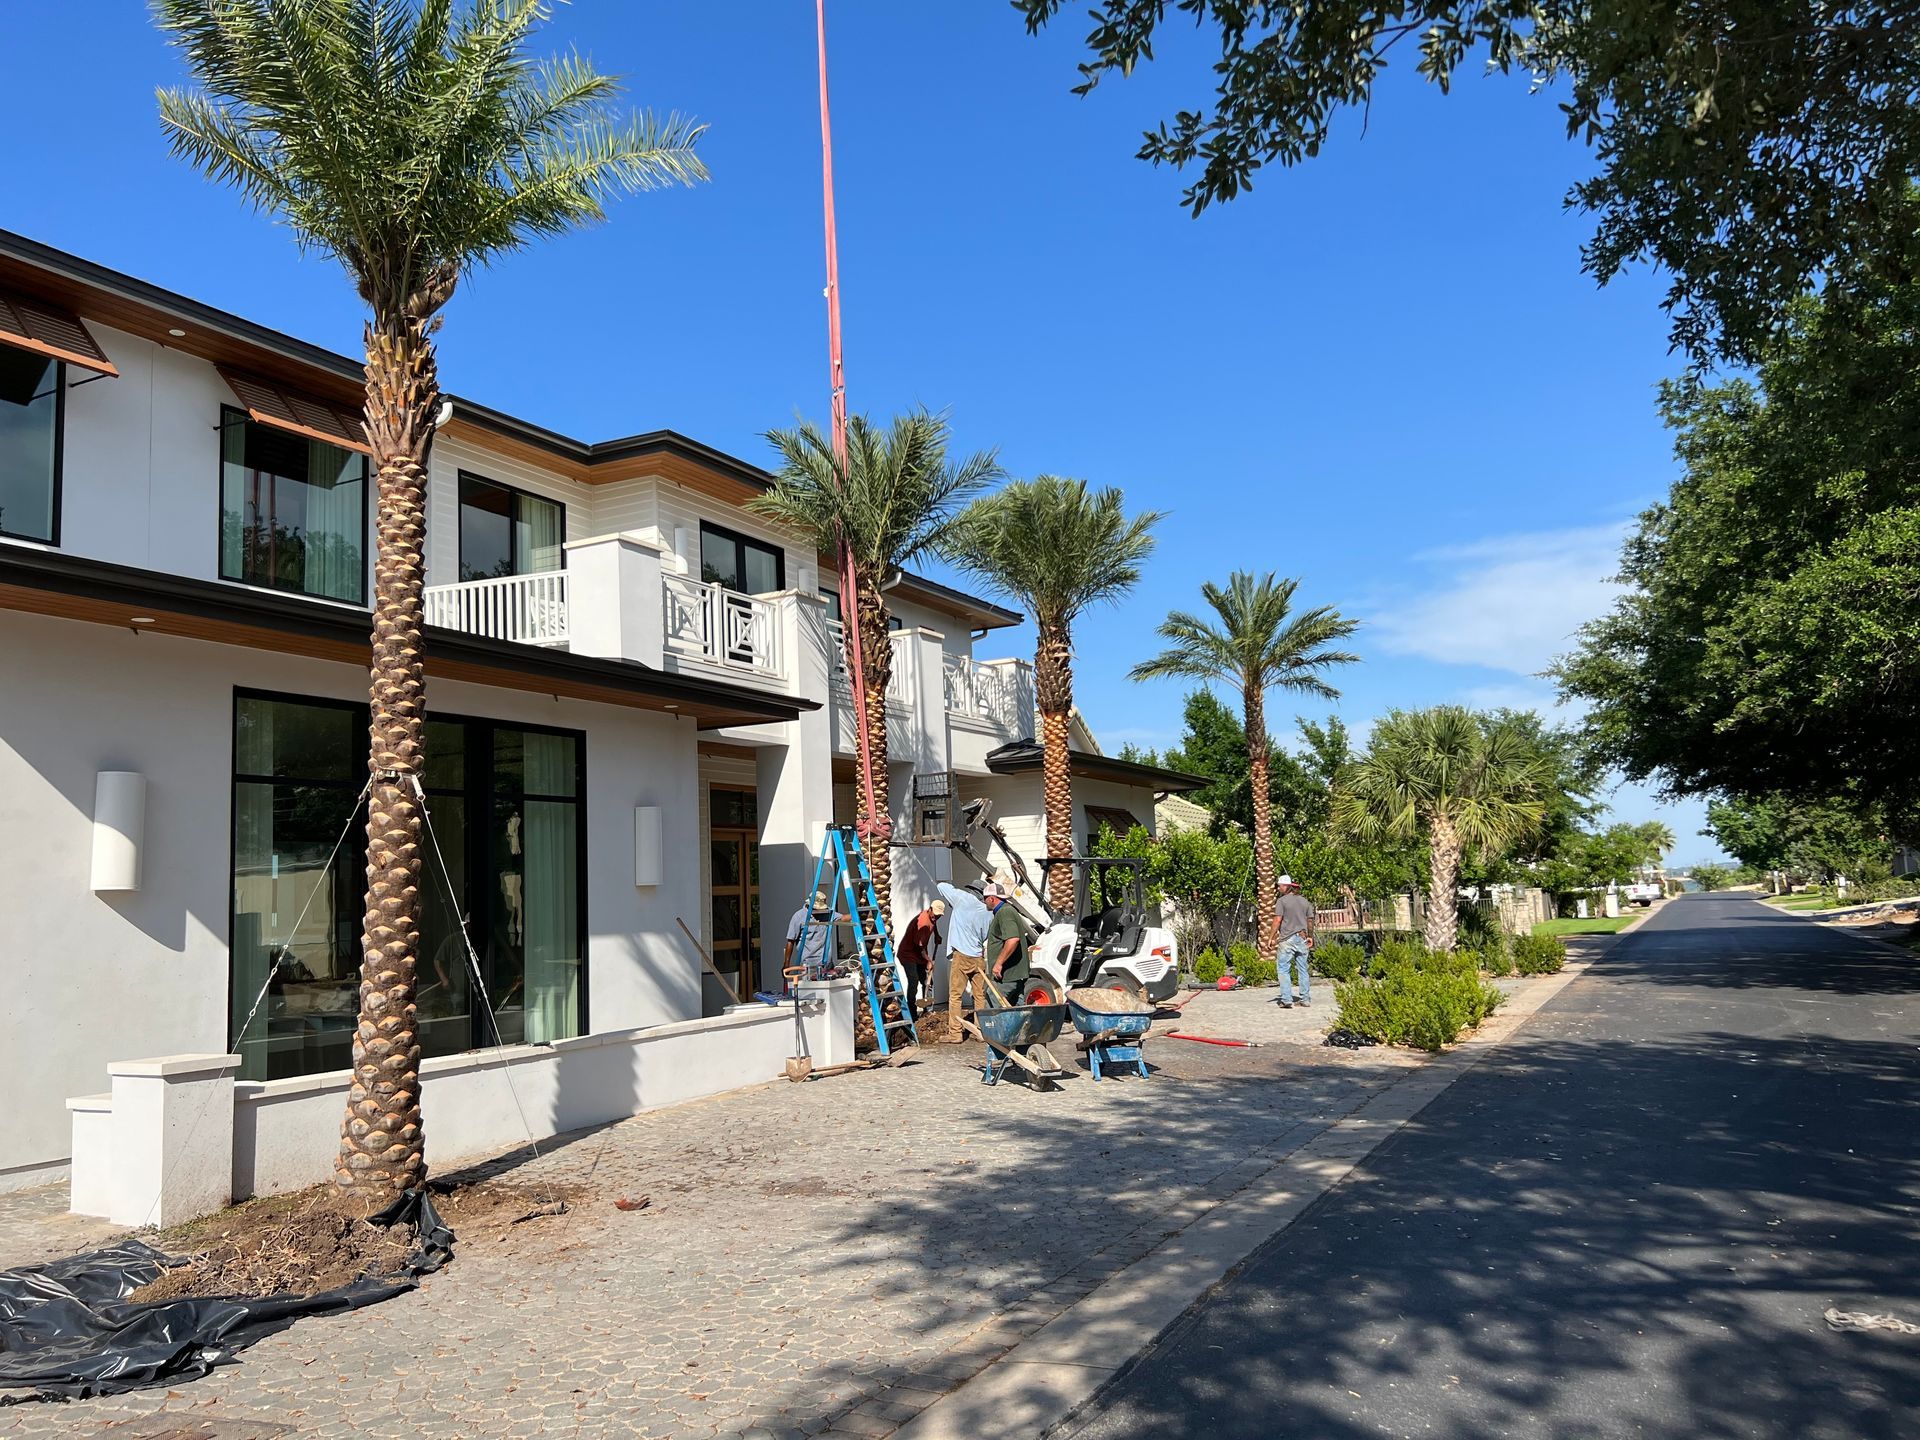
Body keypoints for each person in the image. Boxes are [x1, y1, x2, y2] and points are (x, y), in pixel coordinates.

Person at [935, 880, 993, 1041]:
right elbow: (986, 935)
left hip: (961, 955)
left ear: (971, 890)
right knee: (979, 996)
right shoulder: (988, 911)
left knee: (955, 996)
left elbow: (941, 886)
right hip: (979, 956)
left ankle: (955, 1033)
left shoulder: (962, 898)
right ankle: (980, 1031)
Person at [1269, 873, 1316, 1008]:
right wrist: (1310, 937)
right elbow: (1310, 920)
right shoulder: (1305, 901)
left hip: (1287, 939)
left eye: (1279, 886)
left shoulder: (1282, 901)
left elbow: (1277, 920)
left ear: (1285, 886)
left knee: (1283, 968)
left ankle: (1287, 999)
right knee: (1303, 969)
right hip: (1302, 938)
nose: (1278, 889)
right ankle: (1305, 999)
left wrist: (1271, 937)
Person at [895, 898, 946, 1015]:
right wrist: (928, 961)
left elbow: (934, 924)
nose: (936, 918)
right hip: (908, 954)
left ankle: (927, 1009)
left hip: (919, 954)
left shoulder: (932, 917)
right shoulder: (923, 923)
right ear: (930, 909)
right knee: (914, 980)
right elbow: (920, 947)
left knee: (927, 981)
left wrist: (937, 935)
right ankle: (912, 1012)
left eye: (939, 916)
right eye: (935, 915)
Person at [984, 883, 1031, 1002]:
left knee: (993, 1005)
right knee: (1018, 1014)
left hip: (1007, 976)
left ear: (992, 898)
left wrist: (999, 963)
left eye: (985, 898)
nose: (984, 902)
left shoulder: (1005, 912)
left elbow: (1013, 939)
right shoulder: (1006, 911)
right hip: (1013, 974)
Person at [783, 886, 837, 979]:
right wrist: (786, 964)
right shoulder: (798, 917)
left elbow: (843, 918)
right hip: (809, 966)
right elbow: (790, 941)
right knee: (812, 992)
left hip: (826, 965)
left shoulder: (825, 913)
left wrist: (856, 914)